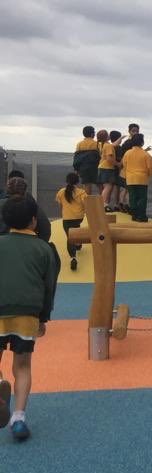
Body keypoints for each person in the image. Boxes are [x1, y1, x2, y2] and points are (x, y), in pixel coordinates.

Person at [0, 195, 59, 441]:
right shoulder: (45, 249)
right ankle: (19, 418)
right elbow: (49, 287)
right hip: (27, 313)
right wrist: (43, 317)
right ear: (34, 221)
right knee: (22, 366)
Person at [0, 174, 53, 245]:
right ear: (25, 190)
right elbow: (45, 228)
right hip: (26, 245)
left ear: (7, 189)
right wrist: (38, 245)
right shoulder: (30, 205)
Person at [54, 172, 87, 271]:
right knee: (76, 230)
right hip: (78, 217)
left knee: (70, 237)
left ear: (66, 181)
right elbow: (86, 204)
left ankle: (73, 257)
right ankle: (78, 243)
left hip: (67, 218)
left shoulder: (61, 192)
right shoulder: (81, 192)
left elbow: (60, 204)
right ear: (77, 181)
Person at [121, 134, 152, 222]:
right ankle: (141, 216)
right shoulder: (145, 154)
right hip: (142, 179)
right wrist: (148, 175)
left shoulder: (127, 153)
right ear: (142, 143)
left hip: (130, 179)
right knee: (142, 197)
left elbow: (124, 165)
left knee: (132, 197)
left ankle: (134, 215)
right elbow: (150, 167)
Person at [98, 130, 122, 211]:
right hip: (107, 168)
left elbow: (113, 145)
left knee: (106, 186)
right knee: (108, 186)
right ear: (106, 137)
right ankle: (103, 204)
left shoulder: (103, 144)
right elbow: (109, 159)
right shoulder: (108, 146)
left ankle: (104, 204)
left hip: (102, 167)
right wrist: (117, 164)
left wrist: (121, 138)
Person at [72, 126, 100, 195]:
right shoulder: (96, 144)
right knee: (100, 185)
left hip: (83, 167)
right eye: (94, 132)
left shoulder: (79, 144)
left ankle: (87, 202)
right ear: (91, 134)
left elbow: (77, 157)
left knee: (87, 185)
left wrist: (76, 169)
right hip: (94, 167)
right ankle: (102, 201)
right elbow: (100, 155)